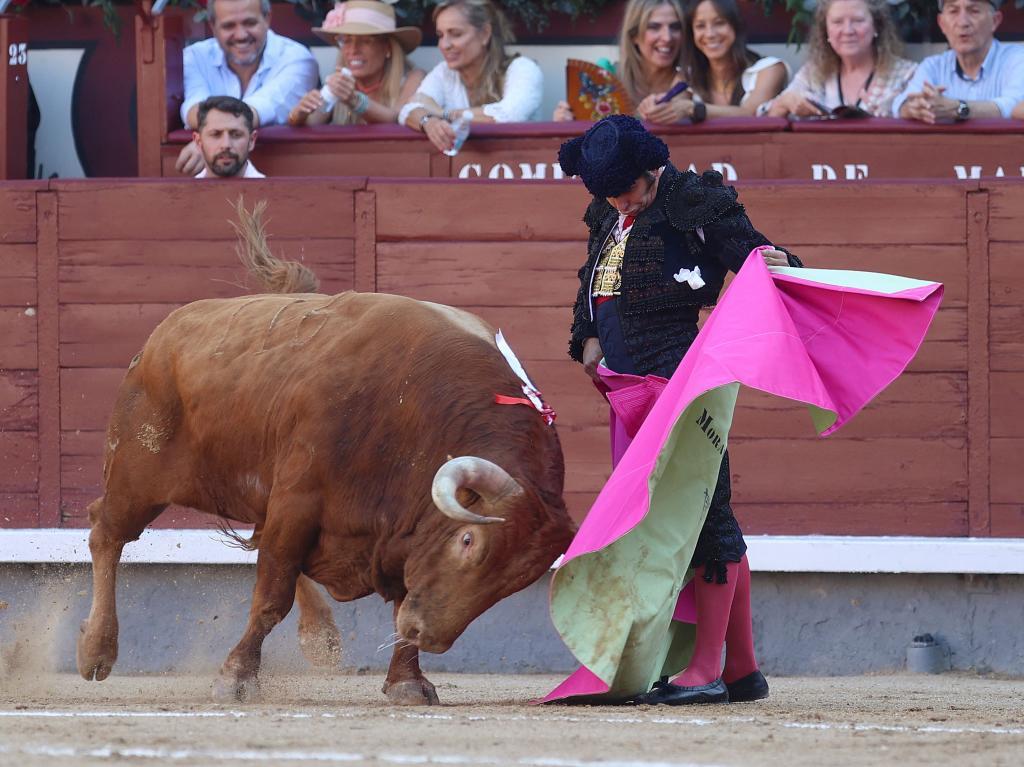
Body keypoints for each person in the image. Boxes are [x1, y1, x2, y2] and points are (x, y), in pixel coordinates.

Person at [559, 115, 802, 705]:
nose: (620, 201)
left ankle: (708, 667)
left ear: (652, 170)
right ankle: (741, 668)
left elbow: (758, 257)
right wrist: (587, 336)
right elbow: (593, 285)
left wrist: (776, 261)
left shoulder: (697, 201)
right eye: (609, 193)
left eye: (628, 190)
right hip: (626, 390)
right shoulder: (608, 213)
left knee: (705, 513)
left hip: (683, 380)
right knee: (675, 516)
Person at [176, 0, 319, 175]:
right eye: (229, 26)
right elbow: (193, 108)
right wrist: (212, 139)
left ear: (267, 18)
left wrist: (211, 140)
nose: (241, 35)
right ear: (212, 26)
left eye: (249, 23)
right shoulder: (194, 57)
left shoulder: (298, 59)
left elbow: (265, 105)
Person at [399, 0, 544, 154]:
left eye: (456, 34)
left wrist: (442, 114)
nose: (444, 45)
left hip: (519, 168)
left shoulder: (523, 68)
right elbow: (409, 109)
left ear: (485, 34)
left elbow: (507, 115)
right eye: (440, 35)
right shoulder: (444, 72)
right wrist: (429, 122)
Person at [762, 0, 916, 119]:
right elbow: (765, 116)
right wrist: (785, 103)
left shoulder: (906, 74)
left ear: (876, 27)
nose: (848, 30)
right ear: (826, 31)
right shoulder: (812, 74)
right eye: (837, 22)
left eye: (857, 20)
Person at [553, 0, 695, 124]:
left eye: (675, 27)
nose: (667, 37)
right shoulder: (607, 77)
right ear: (634, 36)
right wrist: (566, 122)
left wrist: (693, 108)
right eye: (654, 27)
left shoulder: (695, 81)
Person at [287, 0, 425, 126]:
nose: (353, 50)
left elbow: (397, 119)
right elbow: (312, 123)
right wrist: (300, 113)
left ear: (388, 48)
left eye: (366, 41)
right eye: (346, 40)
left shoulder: (413, 78)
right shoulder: (340, 82)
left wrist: (354, 100)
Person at [893, 0, 1024, 122]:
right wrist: (913, 108)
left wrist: (959, 108)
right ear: (942, 24)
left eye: (974, 11)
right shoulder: (933, 66)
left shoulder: (1017, 59)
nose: (963, 23)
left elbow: (1013, 107)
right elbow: (900, 104)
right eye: (953, 11)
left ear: (995, 21)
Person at [682, 0, 788, 117]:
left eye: (719, 23)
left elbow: (749, 114)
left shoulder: (769, 69)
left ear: (735, 26)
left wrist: (693, 109)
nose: (710, 34)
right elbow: (674, 104)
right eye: (700, 26)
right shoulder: (687, 75)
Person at [192, 96, 265, 178]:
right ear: (198, 141)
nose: (226, 145)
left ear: (251, 141)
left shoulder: (271, 190)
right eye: (216, 134)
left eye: (236, 135)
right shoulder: (186, 191)